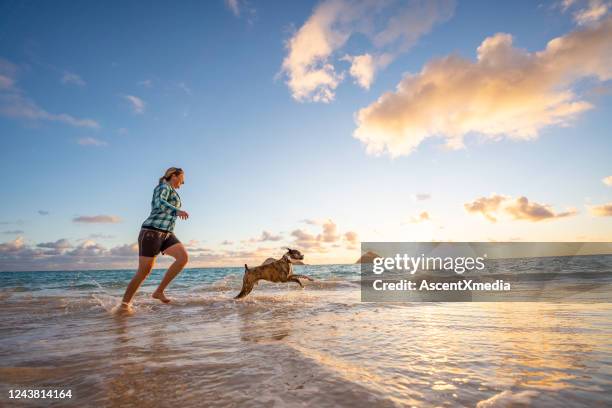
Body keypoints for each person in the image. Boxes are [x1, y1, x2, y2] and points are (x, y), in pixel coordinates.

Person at [120, 167, 190, 309]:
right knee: (144, 272)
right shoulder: (163, 187)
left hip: (167, 234)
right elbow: (159, 202)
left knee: (183, 258)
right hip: (151, 232)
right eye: (182, 179)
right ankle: (124, 305)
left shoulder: (172, 190)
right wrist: (176, 211)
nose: (182, 183)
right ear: (174, 176)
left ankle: (159, 291)